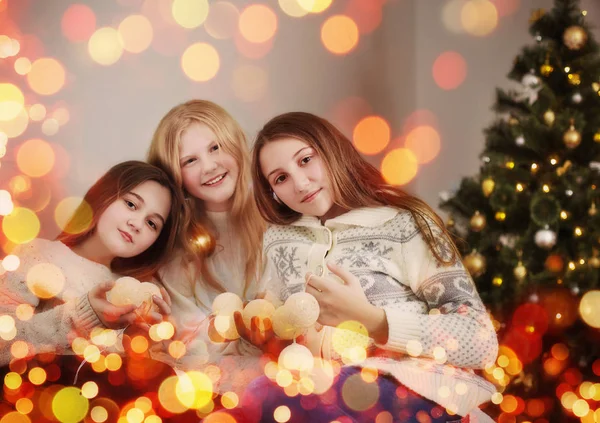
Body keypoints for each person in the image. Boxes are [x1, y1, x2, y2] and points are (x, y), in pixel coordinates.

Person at [241, 112, 498, 422]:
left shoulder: (404, 225)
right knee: (258, 394)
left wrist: (373, 320)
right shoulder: (277, 242)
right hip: (320, 390)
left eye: (306, 160)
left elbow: (481, 341)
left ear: (331, 150)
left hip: (412, 387)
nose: (300, 183)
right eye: (280, 178)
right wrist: (262, 333)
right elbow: (278, 328)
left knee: (345, 389)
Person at [0, 160, 183, 377]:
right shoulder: (36, 253)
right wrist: (83, 315)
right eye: (131, 204)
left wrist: (145, 344)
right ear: (104, 195)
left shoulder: (139, 293)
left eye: (152, 223)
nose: (137, 224)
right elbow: (4, 345)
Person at [147, 100, 268, 392]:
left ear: (235, 144)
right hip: (219, 389)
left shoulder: (278, 216)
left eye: (215, 148)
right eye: (190, 161)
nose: (209, 166)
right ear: (176, 178)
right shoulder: (177, 251)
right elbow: (191, 348)